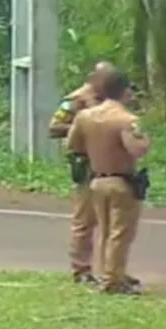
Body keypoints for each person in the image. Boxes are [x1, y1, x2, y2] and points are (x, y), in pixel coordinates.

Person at [66, 71, 151, 294]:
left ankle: (108, 273)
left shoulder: (85, 117)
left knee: (104, 231)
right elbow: (137, 149)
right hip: (121, 181)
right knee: (120, 233)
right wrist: (143, 137)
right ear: (125, 91)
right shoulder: (127, 120)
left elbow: (73, 144)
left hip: (97, 180)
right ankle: (113, 279)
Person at [48, 61, 116, 283]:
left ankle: (112, 270)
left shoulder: (109, 99)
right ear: (93, 78)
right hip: (86, 165)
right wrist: (84, 128)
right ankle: (81, 269)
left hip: (108, 165)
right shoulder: (77, 99)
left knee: (111, 221)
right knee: (85, 221)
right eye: (106, 80)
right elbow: (54, 127)